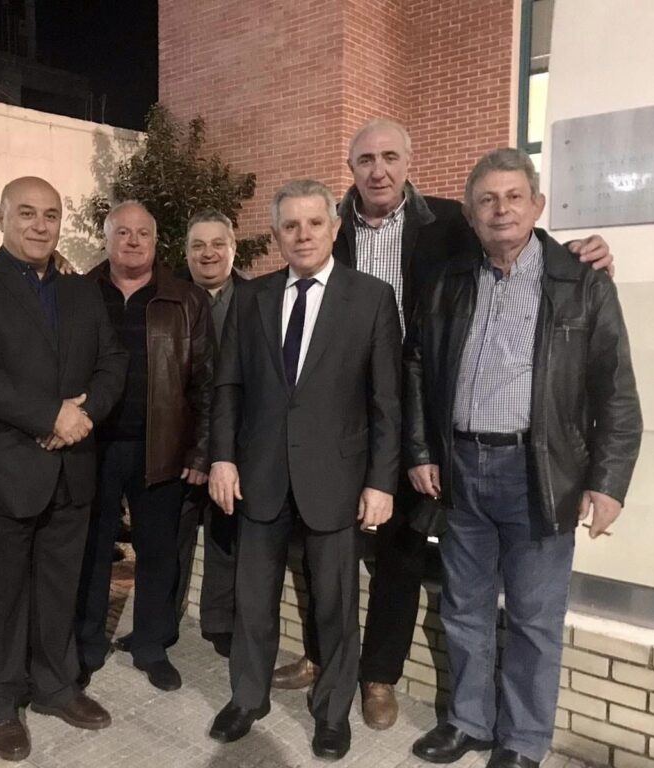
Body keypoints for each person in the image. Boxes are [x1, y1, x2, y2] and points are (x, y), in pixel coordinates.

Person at [271, 118, 615, 732]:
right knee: (328, 543)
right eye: (366, 160)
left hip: (415, 412)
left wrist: (582, 253)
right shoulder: (330, 227)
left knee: (401, 553)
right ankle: (323, 655)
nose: (379, 170)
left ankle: (379, 675)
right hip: (337, 415)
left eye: (390, 157)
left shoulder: (452, 222)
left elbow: (515, 241)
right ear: (350, 169)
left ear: (409, 162)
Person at [406, 148, 641, 768]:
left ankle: (523, 740)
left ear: (537, 205)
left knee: (534, 618)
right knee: (465, 608)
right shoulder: (449, 282)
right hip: (461, 469)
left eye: (514, 196)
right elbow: (417, 366)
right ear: (470, 214)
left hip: (539, 472)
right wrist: (422, 449)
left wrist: (609, 482)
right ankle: (469, 721)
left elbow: (616, 390)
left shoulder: (581, 282)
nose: (501, 209)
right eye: (487, 200)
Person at [208, 180, 402, 760]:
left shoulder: (370, 298)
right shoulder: (252, 298)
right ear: (276, 235)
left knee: (336, 604)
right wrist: (222, 457)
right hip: (260, 474)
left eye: (315, 223)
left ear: (334, 228)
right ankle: (248, 698)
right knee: (252, 599)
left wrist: (381, 481)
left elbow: (386, 401)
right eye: (290, 226)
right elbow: (228, 385)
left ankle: (332, 712)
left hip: (337, 477)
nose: (303, 235)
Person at [0, 176, 126, 761]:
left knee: (58, 588)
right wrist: (49, 415)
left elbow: (112, 363)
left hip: (73, 467)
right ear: (1, 217)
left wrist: (81, 417)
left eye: (50, 215)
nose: (40, 225)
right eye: (26, 213)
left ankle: (54, 686)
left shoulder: (81, 291)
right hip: (5, 469)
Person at [76, 201, 215, 692]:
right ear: (107, 238)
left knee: (158, 552)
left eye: (143, 234)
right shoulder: (81, 293)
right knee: (91, 550)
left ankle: (151, 645)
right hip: (91, 447)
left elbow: (207, 384)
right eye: (123, 232)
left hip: (162, 449)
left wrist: (200, 452)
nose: (133, 241)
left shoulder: (186, 300)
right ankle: (87, 644)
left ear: (156, 242)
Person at [113, 209, 245, 659]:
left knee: (225, 534)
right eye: (197, 245)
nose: (208, 253)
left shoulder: (256, 299)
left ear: (233, 248)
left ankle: (220, 623)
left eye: (218, 244)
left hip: (237, 443)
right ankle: (160, 625)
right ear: (185, 253)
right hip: (178, 448)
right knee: (170, 540)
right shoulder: (172, 297)